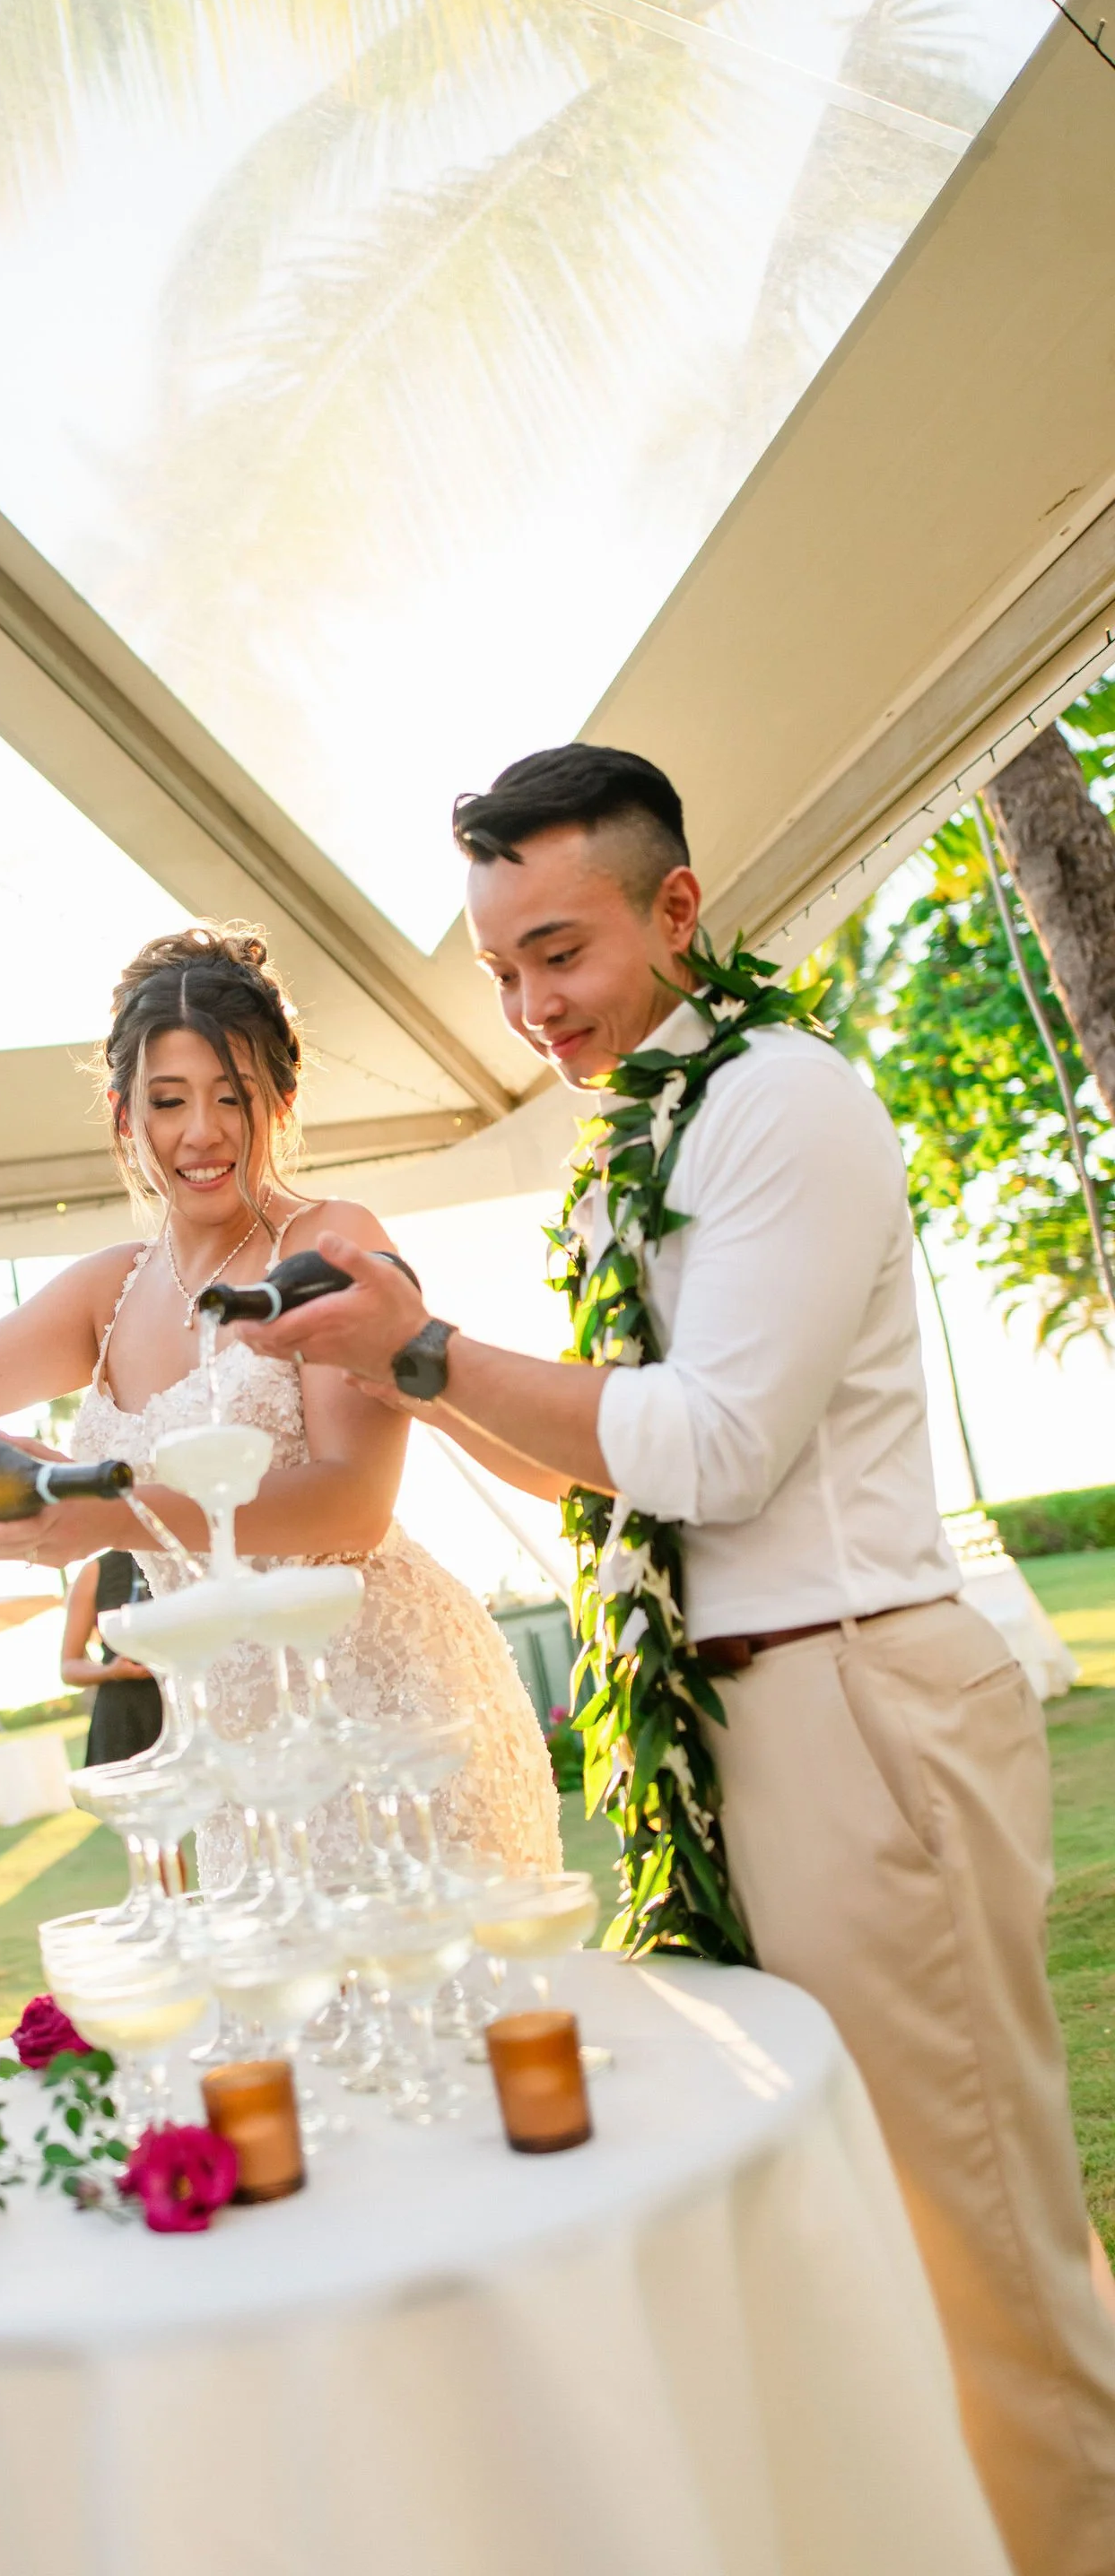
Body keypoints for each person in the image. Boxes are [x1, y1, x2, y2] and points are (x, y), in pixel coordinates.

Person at [232, 743, 1115, 2576]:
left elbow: (712, 1448)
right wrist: (397, 1368)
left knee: (987, 2255)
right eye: (497, 972)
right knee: (849, 2233)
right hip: (739, 1724)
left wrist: (429, 1356)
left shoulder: (778, 1103)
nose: (529, 1008)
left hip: (856, 1709)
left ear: (677, 908)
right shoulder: (643, 1131)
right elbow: (609, 1466)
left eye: (557, 952)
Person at [0, 924, 560, 1884]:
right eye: (168, 1102)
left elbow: (349, 1507)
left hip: (386, 1718)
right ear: (126, 1119)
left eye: (230, 1097)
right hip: (239, 1763)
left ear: (279, 1103)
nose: (199, 1132)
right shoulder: (105, 1293)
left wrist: (107, 1515)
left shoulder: (329, 1243)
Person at [60, 1550, 162, 1765]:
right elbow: (69, 1667)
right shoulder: (95, 1571)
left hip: (186, 1705)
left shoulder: (183, 1557)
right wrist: (111, 1671)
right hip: (125, 1718)